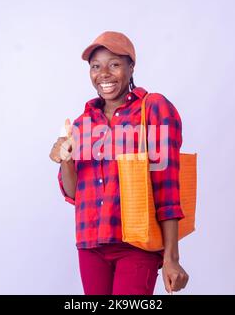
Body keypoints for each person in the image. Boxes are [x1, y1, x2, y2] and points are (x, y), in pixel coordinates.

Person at [49, 31, 189, 295]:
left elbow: (167, 186)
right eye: (96, 66)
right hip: (90, 245)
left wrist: (172, 257)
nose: (104, 74)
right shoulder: (81, 124)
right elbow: (73, 193)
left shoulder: (152, 108)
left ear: (131, 67)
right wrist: (65, 161)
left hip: (136, 243)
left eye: (114, 64)